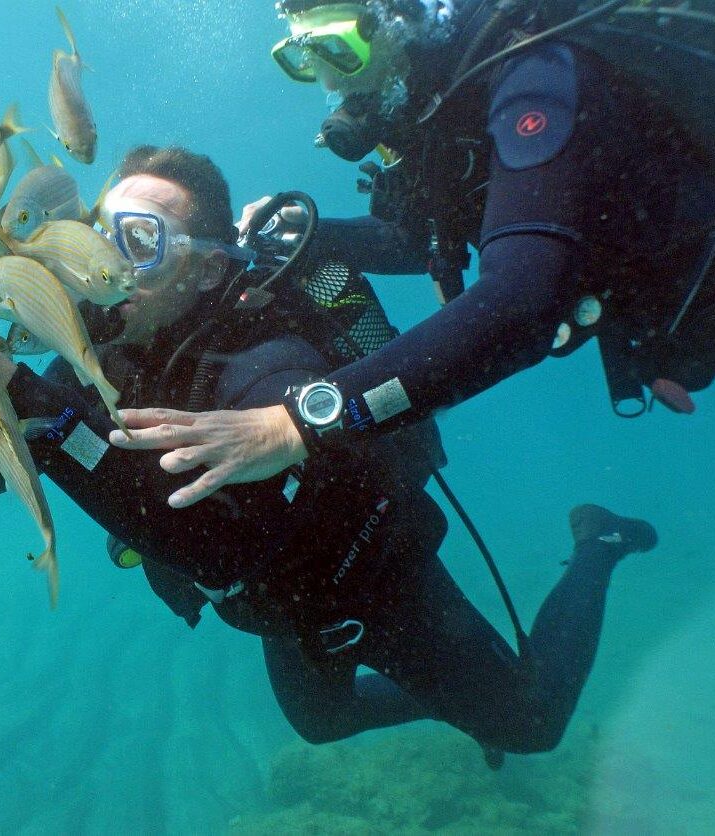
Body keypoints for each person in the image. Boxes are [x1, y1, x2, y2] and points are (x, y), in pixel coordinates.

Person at [0, 145, 659, 759]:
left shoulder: (267, 362)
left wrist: (29, 402)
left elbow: (229, 548)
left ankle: (598, 543)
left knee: (529, 721)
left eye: (137, 241)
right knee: (321, 725)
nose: (96, 263)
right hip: (278, 610)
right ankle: (456, 694)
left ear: (208, 264)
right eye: (93, 235)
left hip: (371, 578)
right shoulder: (92, 352)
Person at [108, 0, 715, 511]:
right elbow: (423, 238)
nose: (330, 81)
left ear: (395, 17)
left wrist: (301, 422)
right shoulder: (439, 111)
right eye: (304, 58)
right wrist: (326, 237)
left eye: (339, 49)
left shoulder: (533, 78)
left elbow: (523, 302)